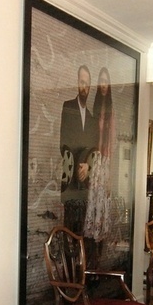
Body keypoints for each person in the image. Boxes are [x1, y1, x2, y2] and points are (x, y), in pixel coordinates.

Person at [59, 65, 99, 234]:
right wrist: (75, 165)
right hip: (70, 183)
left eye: (87, 84)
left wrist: (88, 167)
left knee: (82, 231)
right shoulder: (67, 107)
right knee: (69, 231)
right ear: (77, 83)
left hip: (83, 186)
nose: (84, 87)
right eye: (82, 82)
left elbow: (93, 150)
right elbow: (63, 142)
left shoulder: (91, 118)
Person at [83, 67, 117, 248]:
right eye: (101, 81)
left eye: (106, 81)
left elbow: (112, 142)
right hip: (94, 158)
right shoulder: (94, 109)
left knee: (103, 197)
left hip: (105, 160)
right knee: (93, 197)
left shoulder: (111, 112)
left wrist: (110, 173)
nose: (103, 84)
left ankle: (100, 239)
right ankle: (91, 238)